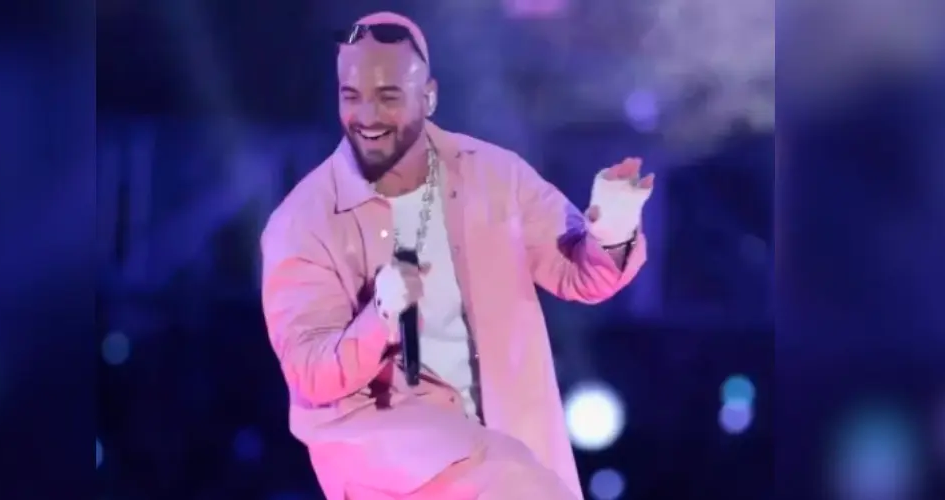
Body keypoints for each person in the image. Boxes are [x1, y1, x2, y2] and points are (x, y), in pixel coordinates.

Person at [259, 11, 653, 500]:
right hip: (391, 455)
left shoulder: (495, 175)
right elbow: (312, 373)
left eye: (388, 97)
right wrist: (379, 316)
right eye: (351, 96)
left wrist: (612, 228)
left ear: (428, 96)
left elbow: (581, 275)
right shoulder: (302, 222)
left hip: (506, 438)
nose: (367, 116)